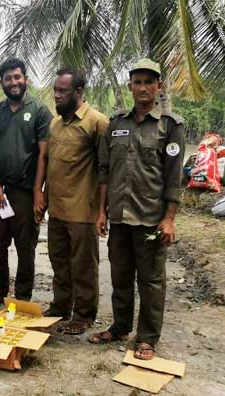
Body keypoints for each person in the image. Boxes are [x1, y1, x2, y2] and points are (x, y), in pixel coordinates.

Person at [90, 59, 185, 361]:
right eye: (137, 82)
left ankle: (146, 338)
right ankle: (119, 328)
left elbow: (174, 177)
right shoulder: (117, 124)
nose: (143, 88)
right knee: (119, 276)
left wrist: (169, 219)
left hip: (150, 219)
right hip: (119, 216)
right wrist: (102, 211)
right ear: (130, 86)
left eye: (149, 82)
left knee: (151, 281)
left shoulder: (170, 126)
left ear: (159, 86)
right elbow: (105, 171)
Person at [39, 68, 108, 334]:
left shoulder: (97, 123)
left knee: (84, 266)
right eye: (55, 90)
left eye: (62, 91)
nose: (57, 95)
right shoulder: (55, 124)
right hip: (57, 210)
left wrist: (103, 211)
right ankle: (60, 307)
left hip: (83, 210)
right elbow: (50, 164)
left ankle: (83, 315)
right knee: (59, 262)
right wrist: (42, 197)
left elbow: (105, 170)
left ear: (78, 92)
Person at [0, 58, 53, 305]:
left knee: (25, 247)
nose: (13, 82)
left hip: (25, 193)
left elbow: (44, 154)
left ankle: (22, 297)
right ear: (1, 82)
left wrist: (38, 191)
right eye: (8, 78)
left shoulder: (40, 111)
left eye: (17, 77)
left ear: (25, 79)